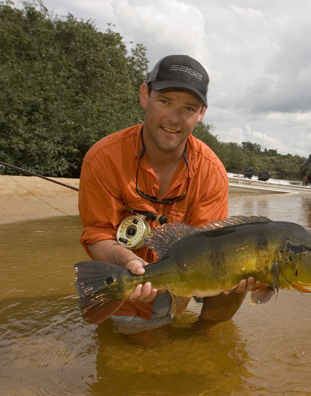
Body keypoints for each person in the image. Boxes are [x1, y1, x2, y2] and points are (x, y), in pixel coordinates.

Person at [78, 54, 256, 339]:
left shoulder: (211, 171)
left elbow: (211, 244)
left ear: (201, 114)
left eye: (188, 108)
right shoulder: (102, 159)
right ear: (144, 95)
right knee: (149, 347)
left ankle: (201, 333)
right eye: (165, 102)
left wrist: (238, 273)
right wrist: (130, 263)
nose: (174, 119)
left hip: (190, 271)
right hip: (133, 278)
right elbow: (98, 234)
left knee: (238, 269)